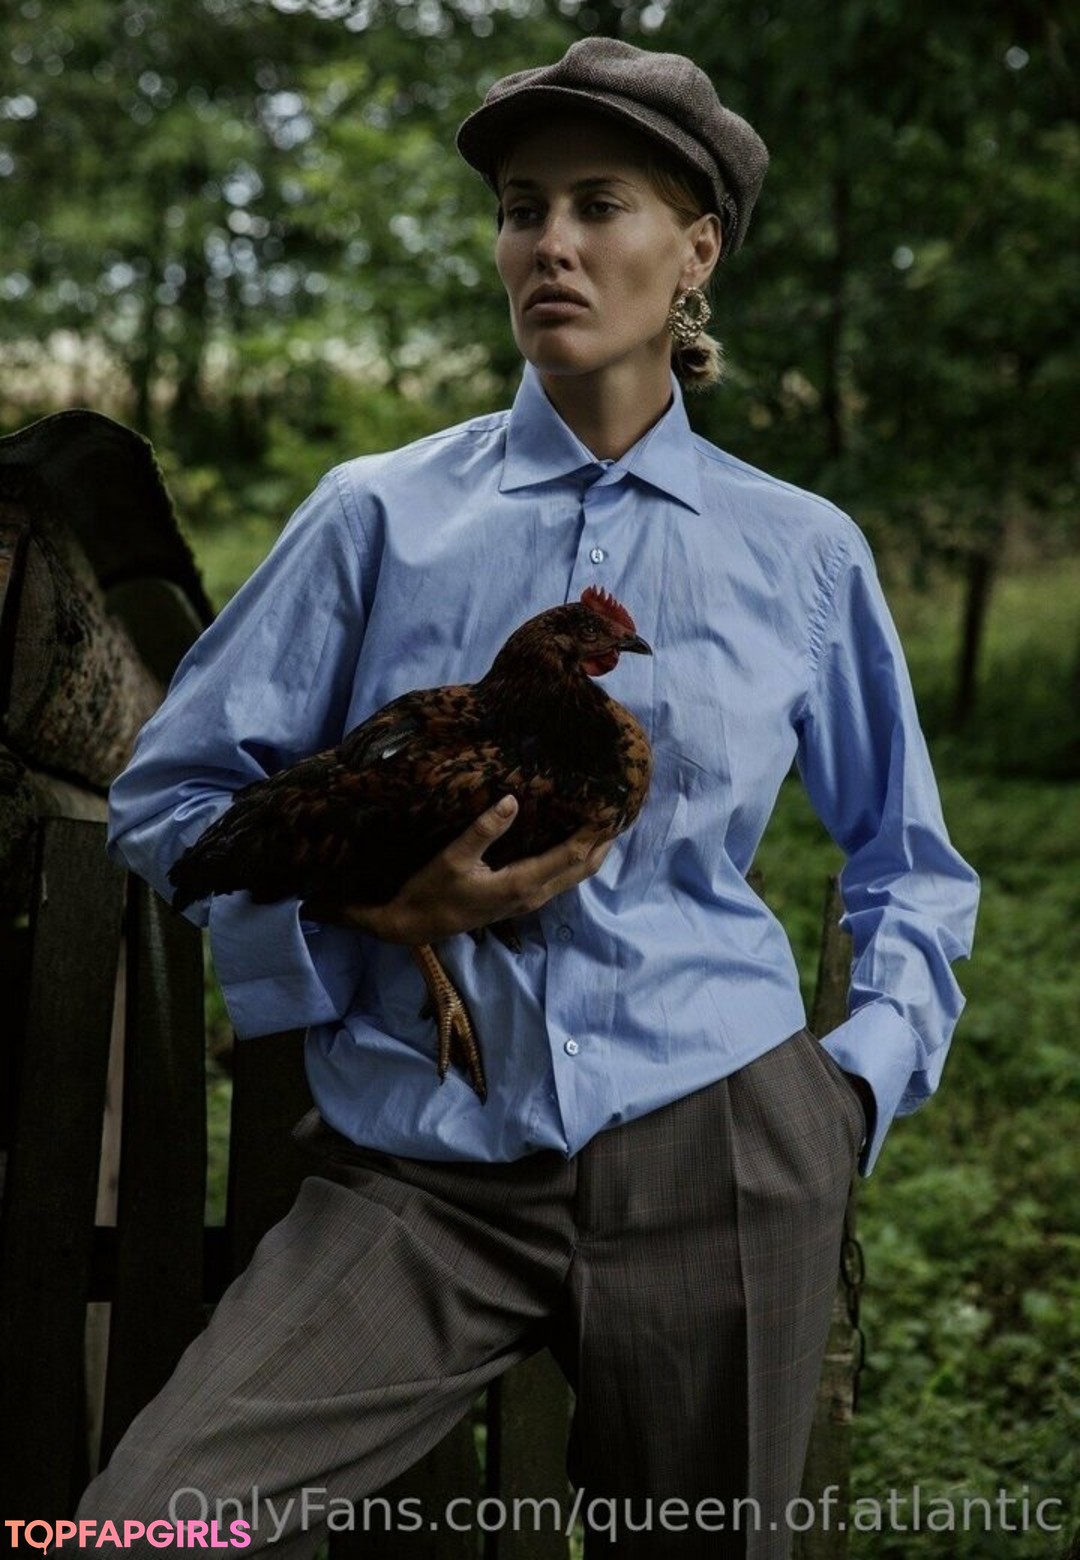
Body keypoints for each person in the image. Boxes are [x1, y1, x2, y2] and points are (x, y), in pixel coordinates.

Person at [77, 35, 979, 1559]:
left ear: (695, 252)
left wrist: (849, 1094)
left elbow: (909, 860)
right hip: (422, 1167)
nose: (549, 243)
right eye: (519, 208)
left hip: (720, 1148)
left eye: (598, 204)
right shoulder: (378, 518)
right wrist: (359, 917)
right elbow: (169, 798)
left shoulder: (802, 554)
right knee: (147, 1531)